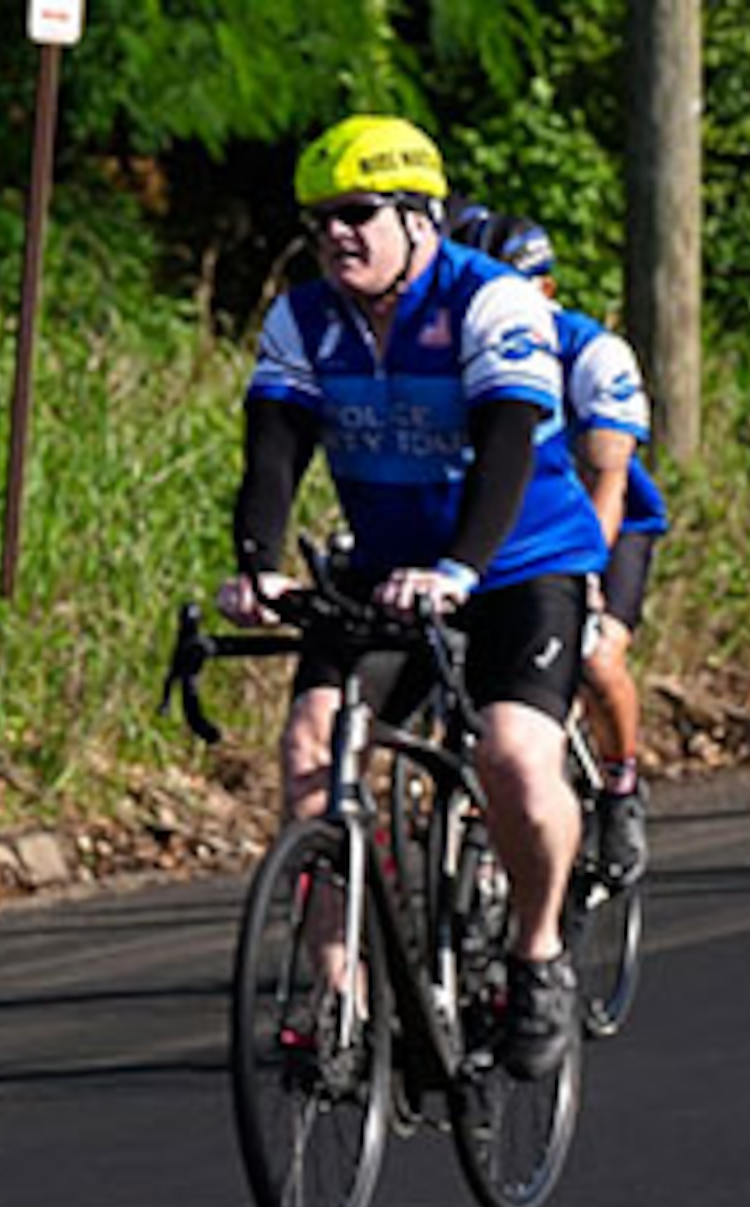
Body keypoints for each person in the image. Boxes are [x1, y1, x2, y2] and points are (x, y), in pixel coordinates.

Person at [216, 115, 608, 1079]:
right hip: (385, 569)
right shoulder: (303, 317)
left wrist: (464, 568)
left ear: (422, 216)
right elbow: (274, 450)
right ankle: (340, 1000)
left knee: (515, 754)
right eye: (318, 223)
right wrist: (260, 562)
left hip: (517, 564)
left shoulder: (493, 300)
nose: (334, 238)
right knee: (311, 744)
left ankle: (540, 950)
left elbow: (510, 441)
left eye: (356, 215)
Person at [450, 210, 667, 884]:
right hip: (506, 527)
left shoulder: (592, 353)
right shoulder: (454, 344)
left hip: (605, 521)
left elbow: (609, 479)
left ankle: (621, 782)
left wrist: (587, 576)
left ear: (544, 291)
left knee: (597, 654)